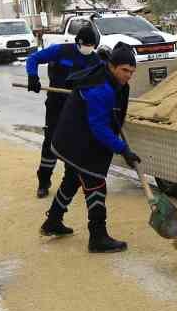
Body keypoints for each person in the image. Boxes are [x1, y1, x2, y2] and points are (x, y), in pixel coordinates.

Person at [42, 43, 141, 253]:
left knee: (72, 179)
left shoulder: (114, 82)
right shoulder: (100, 88)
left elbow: (112, 116)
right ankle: (98, 237)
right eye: (124, 70)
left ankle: (52, 222)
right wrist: (123, 149)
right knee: (95, 184)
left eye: (132, 72)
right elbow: (99, 127)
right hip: (77, 139)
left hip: (76, 135)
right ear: (112, 66)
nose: (128, 76)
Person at [25, 24, 102, 197]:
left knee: (76, 145)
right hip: (56, 104)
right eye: (86, 45)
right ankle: (43, 181)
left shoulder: (96, 61)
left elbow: (102, 83)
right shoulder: (61, 51)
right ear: (78, 42)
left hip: (78, 109)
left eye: (92, 46)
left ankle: (71, 182)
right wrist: (32, 76)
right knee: (51, 144)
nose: (89, 49)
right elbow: (33, 59)